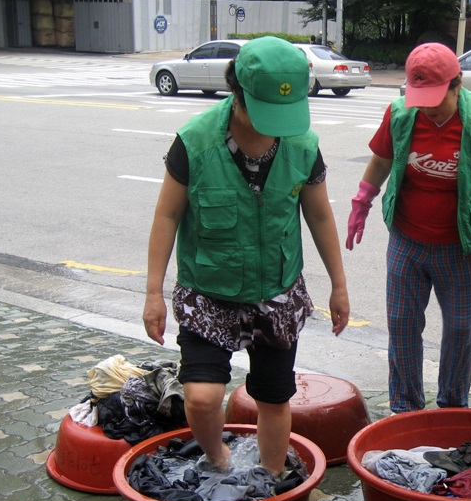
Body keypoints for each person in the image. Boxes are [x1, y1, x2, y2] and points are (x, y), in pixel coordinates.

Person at [143, 36, 350, 477]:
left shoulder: (302, 144)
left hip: (277, 291)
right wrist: (153, 293)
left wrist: (339, 285)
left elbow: (319, 215)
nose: (277, 125)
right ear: (237, 91)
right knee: (202, 398)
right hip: (208, 290)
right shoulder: (195, 141)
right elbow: (167, 215)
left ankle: (270, 482)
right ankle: (219, 461)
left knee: (274, 397)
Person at [345, 42, 471, 414]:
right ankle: (405, 408)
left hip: (461, 246)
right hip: (407, 240)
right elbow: (381, 160)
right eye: (420, 98)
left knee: (460, 330)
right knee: (403, 326)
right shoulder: (400, 114)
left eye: (436, 99)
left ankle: (452, 407)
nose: (427, 108)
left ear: (458, 85)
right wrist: (362, 200)